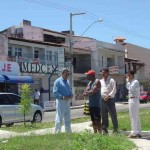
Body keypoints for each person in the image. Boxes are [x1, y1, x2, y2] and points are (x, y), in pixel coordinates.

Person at [53, 68, 73, 133]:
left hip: (67, 101)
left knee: (67, 117)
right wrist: (62, 97)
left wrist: (71, 95)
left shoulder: (68, 82)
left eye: (68, 74)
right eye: (66, 74)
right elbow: (55, 93)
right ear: (62, 73)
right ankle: (57, 132)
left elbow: (70, 90)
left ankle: (68, 132)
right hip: (60, 101)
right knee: (59, 117)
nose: (67, 76)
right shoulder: (57, 81)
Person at [100, 68, 118, 134]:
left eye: (104, 72)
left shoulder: (112, 80)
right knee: (103, 115)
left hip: (110, 99)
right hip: (103, 100)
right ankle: (105, 129)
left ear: (107, 73)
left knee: (113, 115)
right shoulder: (101, 81)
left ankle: (115, 129)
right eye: (102, 72)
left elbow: (114, 90)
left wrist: (109, 96)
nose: (102, 74)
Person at [126, 70, 141, 138]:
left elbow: (131, 89)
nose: (128, 76)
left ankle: (133, 133)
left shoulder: (135, 82)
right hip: (132, 99)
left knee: (133, 117)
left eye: (128, 75)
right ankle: (138, 132)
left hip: (134, 99)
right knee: (136, 117)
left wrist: (128, 81)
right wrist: (128, 82)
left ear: (132, 75)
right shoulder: (132, 82)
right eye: (127, 75)